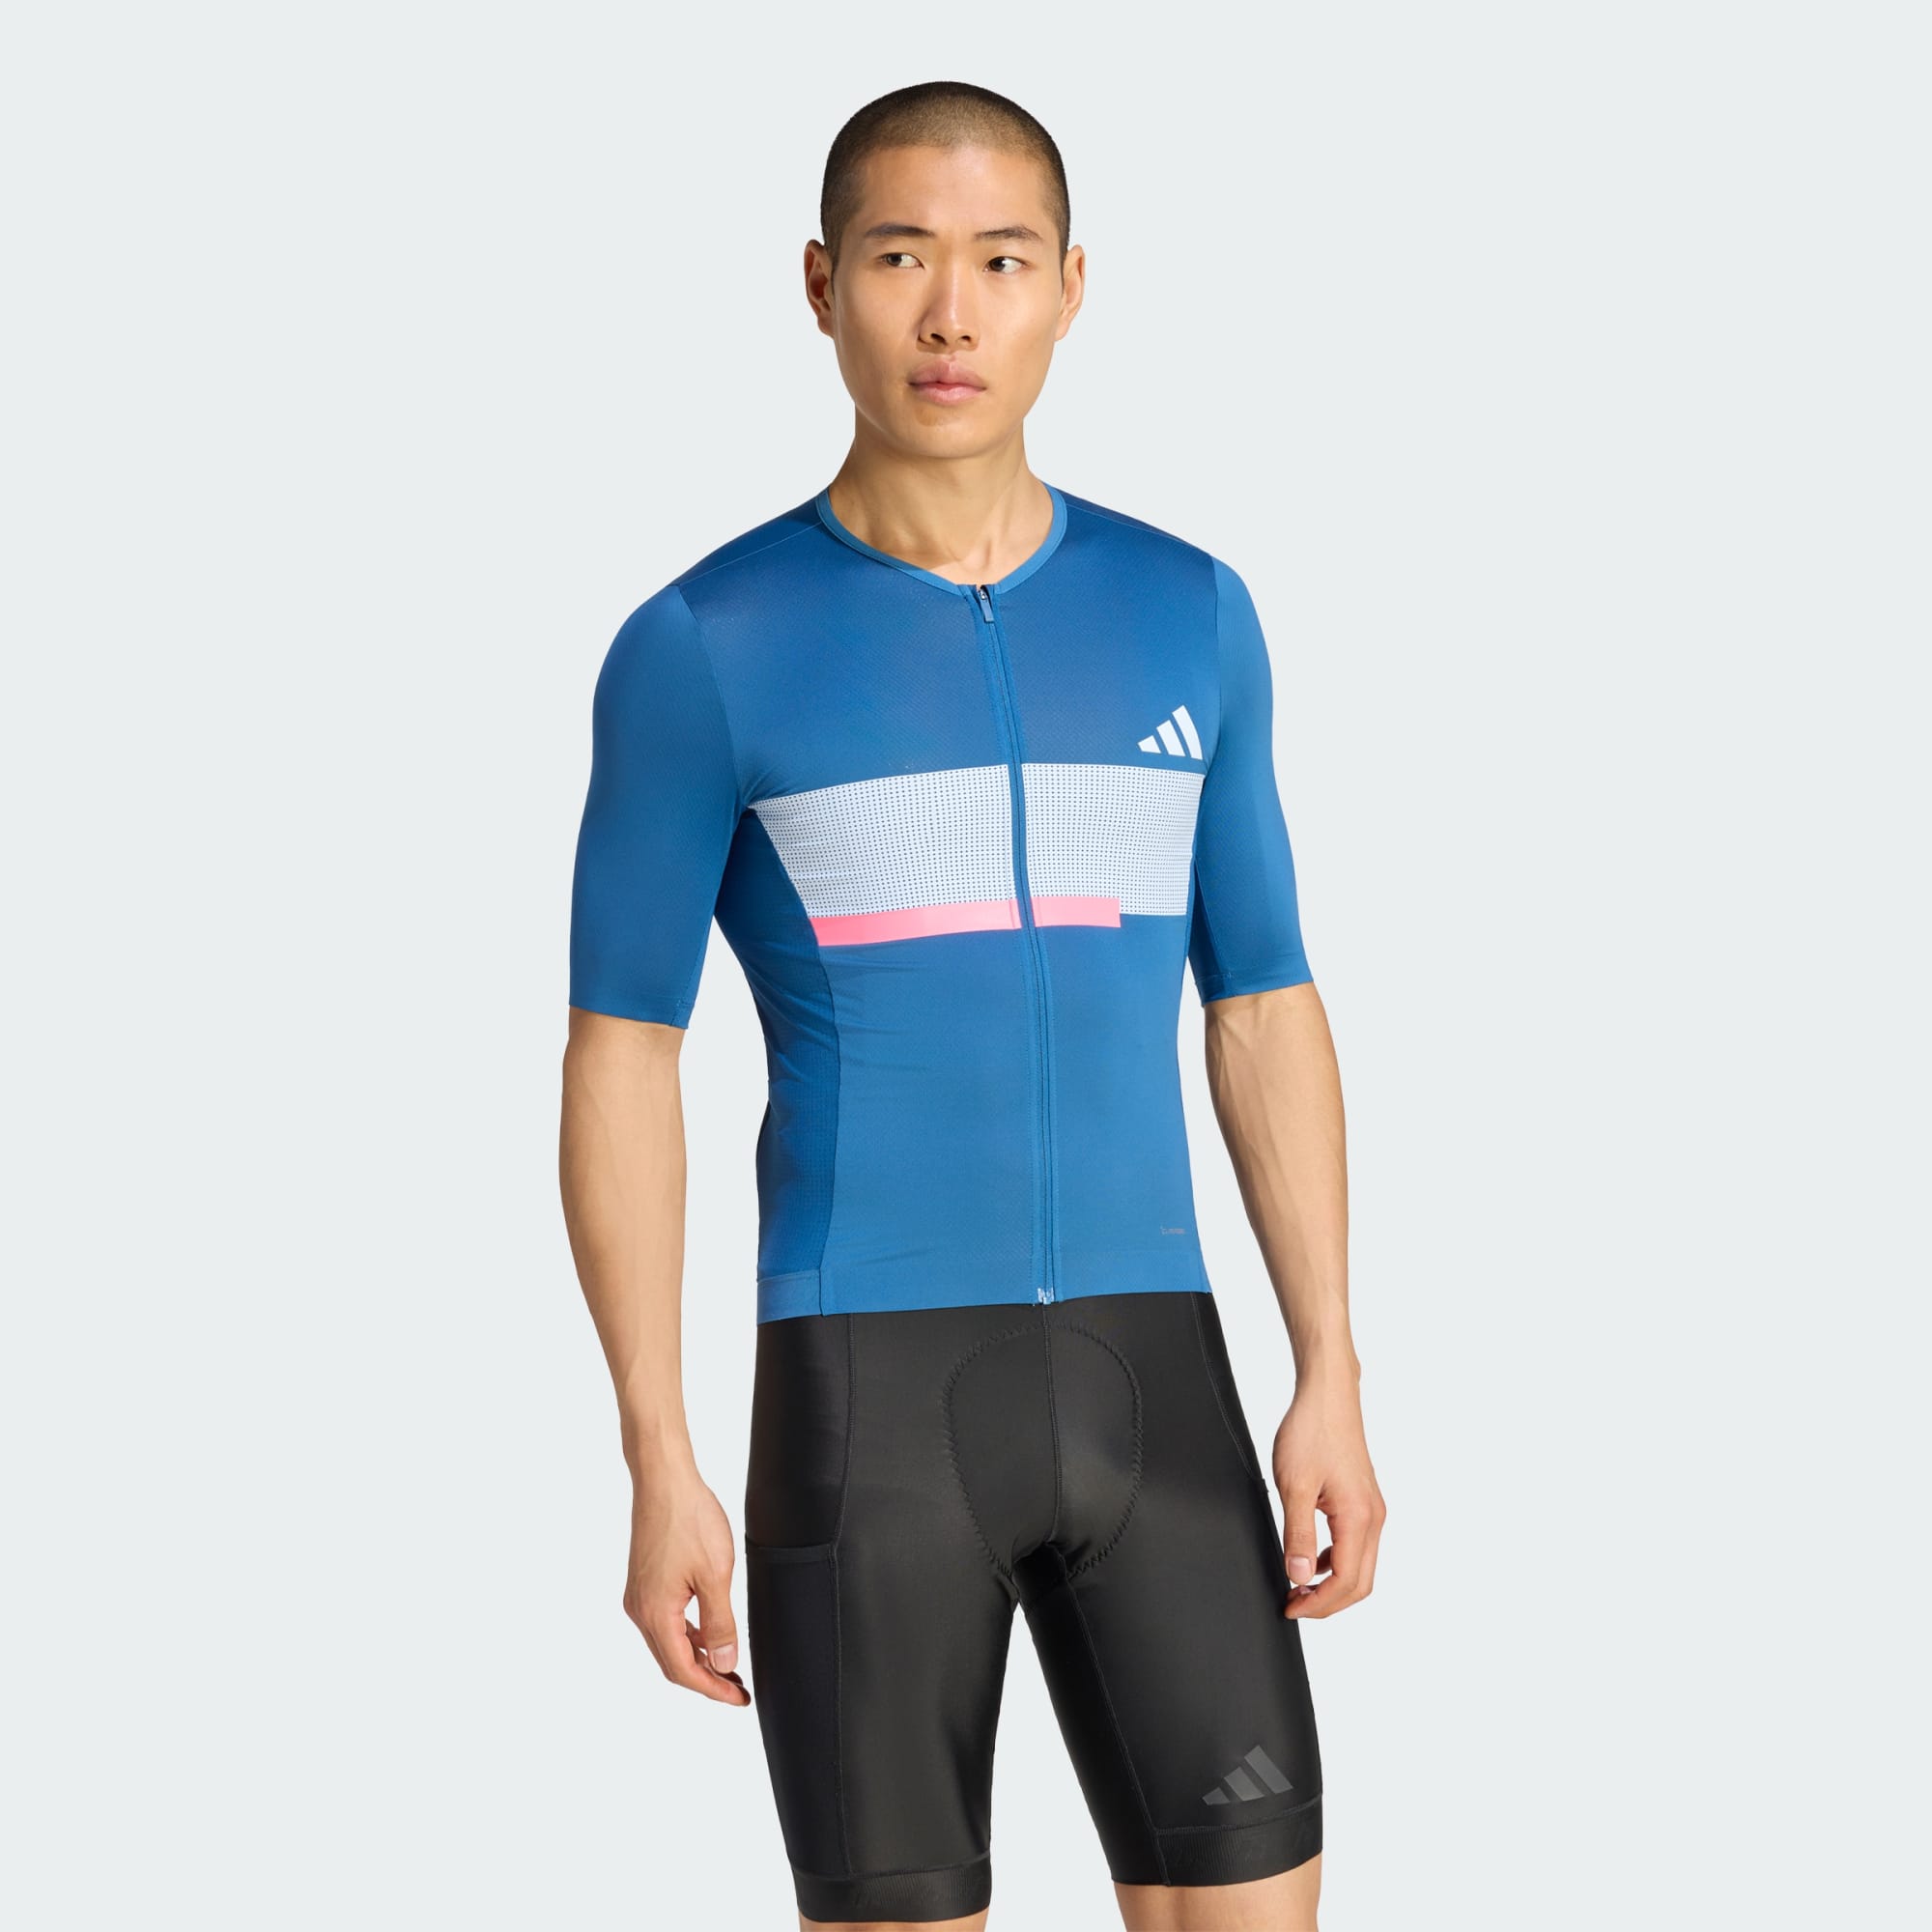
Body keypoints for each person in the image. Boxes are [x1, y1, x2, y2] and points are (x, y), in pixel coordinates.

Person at [559, 80, 1385, 1932]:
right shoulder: (706, 647)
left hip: (1161, 1391)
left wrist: (1330, 1364)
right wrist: (657, 1450)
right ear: (820, 285)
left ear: (1072, 287)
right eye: (900, 258)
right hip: (870, 1413)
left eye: (1002, 261)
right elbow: (621, 1057)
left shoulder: (1191, 614)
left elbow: (1264, 1004)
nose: (952, 314)